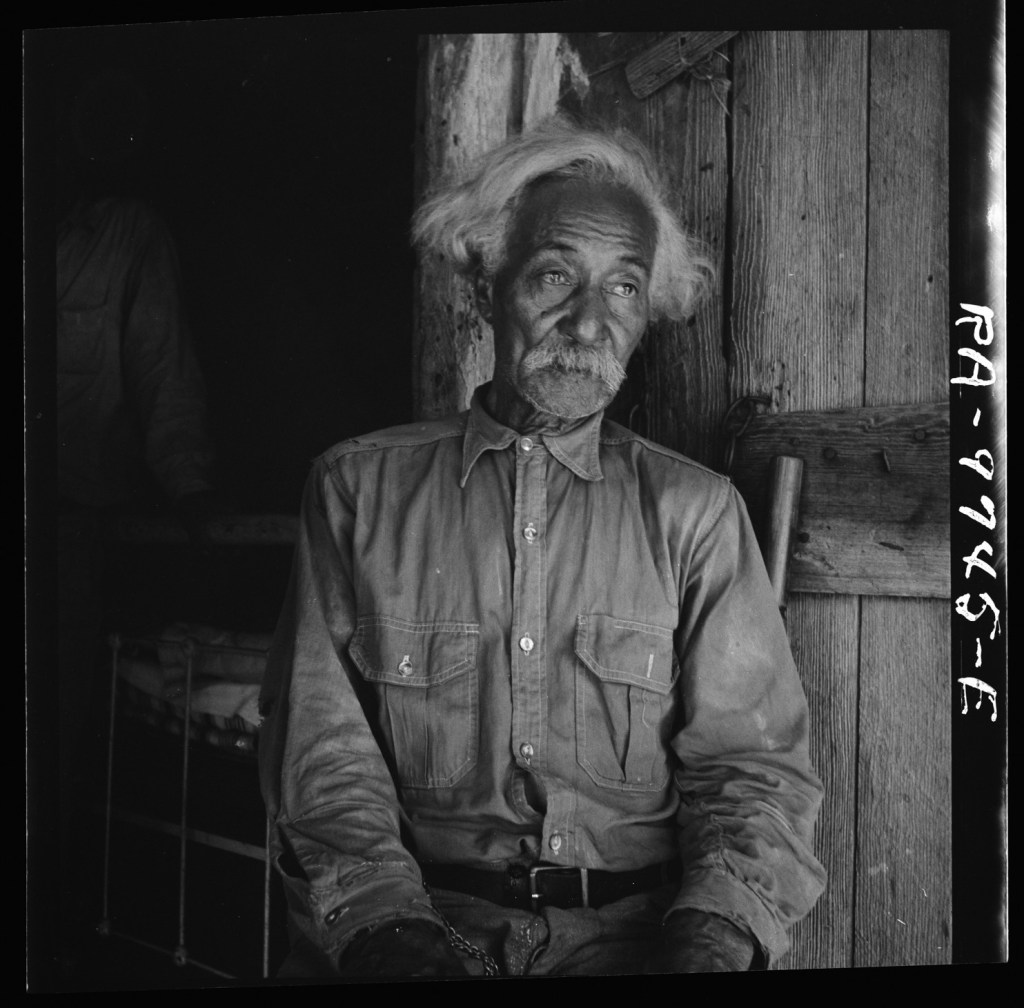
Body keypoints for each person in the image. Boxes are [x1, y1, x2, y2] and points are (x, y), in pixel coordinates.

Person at [257, 117, 826, 980]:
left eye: (625, 289)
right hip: (416, 929)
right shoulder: (356, 490)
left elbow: (752, 775)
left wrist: (709, 939)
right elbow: (321, 756)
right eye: (555, 275)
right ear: (488, 284)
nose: (590, 322)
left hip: (638, 942)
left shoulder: (694, 514)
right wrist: (389, 931)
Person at [52, 66, 217, 966]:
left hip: (61, 532)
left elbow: (162, 366)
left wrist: (189, 491)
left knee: (53, 760)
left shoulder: (126, 235)